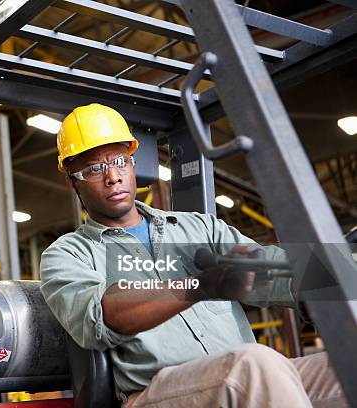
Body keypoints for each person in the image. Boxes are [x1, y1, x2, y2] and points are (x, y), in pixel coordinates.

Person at [39, 103, 347, 408]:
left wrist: (336, 273)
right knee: (254, 364)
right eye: (94, 169)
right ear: (71, 180)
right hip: (155, 393)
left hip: (245, 377)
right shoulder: (68, 255)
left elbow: (273, 269)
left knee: (344, 365)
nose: (113, 177)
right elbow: (101, 316)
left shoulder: (199, 228)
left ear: (133, 163)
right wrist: (204, 285)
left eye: (120, 160)